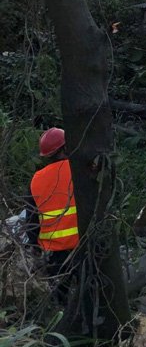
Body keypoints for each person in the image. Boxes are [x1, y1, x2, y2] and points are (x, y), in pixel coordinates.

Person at [25, 127, 79, 304]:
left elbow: (31, 220)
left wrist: (34, 246)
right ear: (66, 148)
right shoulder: (79, 170)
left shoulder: (36, 179)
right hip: (84, 245)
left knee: (61, 298)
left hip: (55, 254)